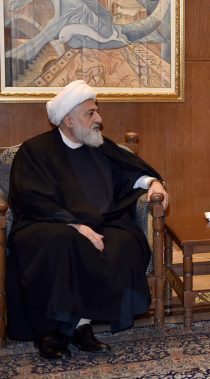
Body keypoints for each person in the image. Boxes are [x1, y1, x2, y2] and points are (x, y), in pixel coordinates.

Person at [6, 80, 169, 360]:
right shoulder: (35, 150)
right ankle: (50, 331)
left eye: (97, 111)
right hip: (45, 223)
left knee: (124, 241)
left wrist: (153, 183)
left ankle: (82, 325)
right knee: (63, 241)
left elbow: (129, 173)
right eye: (90, 113)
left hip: (98, 220)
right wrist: (74, 224)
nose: (99, 119)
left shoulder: (99, 146)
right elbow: (30, 197)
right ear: (68, 120)